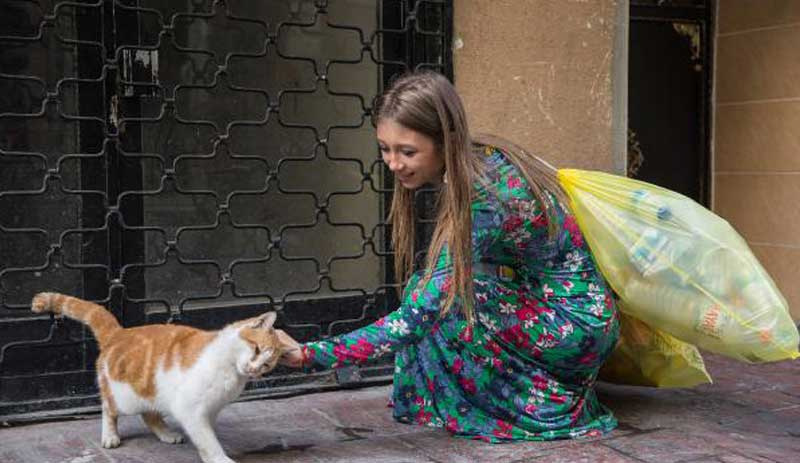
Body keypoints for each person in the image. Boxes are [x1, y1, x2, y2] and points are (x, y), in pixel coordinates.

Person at [277, 70, 620, 442]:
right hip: (565, 314)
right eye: (385, 148)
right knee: (428, 290)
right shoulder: (479, 157)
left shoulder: (486, 195)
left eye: (407, 151)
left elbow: (417, 317)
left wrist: (309, 355)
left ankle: (540, 404)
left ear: (446, 142)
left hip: (576, 327)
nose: (393, 163)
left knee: (440, 303)